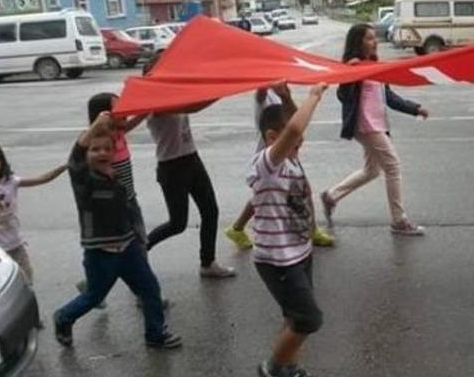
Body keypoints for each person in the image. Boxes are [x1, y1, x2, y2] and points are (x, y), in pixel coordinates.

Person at [53, 112, 181, 349]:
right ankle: (63, 317)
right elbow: (75, 161)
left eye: (106, 149)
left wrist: (139, 239)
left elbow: (128, 210)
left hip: (129, 248)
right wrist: (93, 128)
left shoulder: (116, 178)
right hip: (100, 254)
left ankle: (155, 334)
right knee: (94, 296)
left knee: (150, 289)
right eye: (95, 149)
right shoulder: (84, 181)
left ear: (114, 153)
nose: (101, 153)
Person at [320, 23, 429, 236]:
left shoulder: (374, 66)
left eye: (374, 37)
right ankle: (399, 221)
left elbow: (389, 97)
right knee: (393, 166)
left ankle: (331, 196)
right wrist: (350, 75)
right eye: (369, 38)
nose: (374, 41)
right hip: (366, 125)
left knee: (372, 170)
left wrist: (415, 109)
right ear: (358, 42)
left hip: (378, 124)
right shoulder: (354, 66)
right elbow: (343, 96)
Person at [250, 84, 328, 377]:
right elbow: (294, 129)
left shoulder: (290, 158)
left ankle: (289, 366)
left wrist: (286, 98)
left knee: (293, 316)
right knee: (308, 319)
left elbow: (296, 125)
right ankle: (271, 369)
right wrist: (315, 95)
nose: (300, 142)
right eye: (294, 141)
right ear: (272, 138)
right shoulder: (268, 163)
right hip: (277, 259)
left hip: (299, 253)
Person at [142, 60, 235, 278]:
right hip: (171, 166)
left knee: (211, 211)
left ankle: (207, 263)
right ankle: (136, 255)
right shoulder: (153, 103)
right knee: (177, 224)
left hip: (192, 159)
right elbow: (194, 106)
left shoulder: (174, 93)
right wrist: (224, 89)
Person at [225, 83, 335, 249]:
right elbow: (291, 126)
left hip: (286, 154)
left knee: (279, 192)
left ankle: (238, 227)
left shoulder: (279, 95)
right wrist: (313, 96)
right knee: (267, 195)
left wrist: (286, 95)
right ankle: (306, 230)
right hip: (270, 158)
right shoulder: (262, 98)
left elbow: (295, 120)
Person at [0, 140, 66, 284]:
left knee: (26, 280)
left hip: (15, 244)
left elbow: (41, 179)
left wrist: (63, 167)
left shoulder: (11, 182)